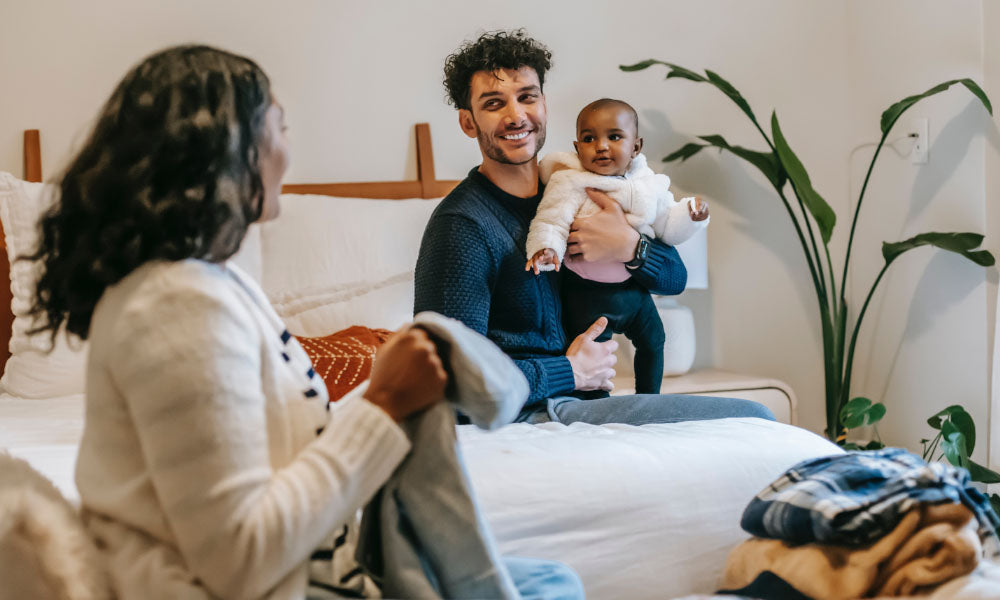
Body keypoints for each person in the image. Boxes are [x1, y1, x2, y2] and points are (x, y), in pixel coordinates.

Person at [27, 45, 581, 599]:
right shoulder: (173, 312)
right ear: (228, 151)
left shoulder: (211, 283)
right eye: (280, 129)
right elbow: (239, 560)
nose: (289, 153)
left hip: (318, 566)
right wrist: (384, 405)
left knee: (553, 580)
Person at [415, 29, 775, 424]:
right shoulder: (462, 226)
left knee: (756, 416)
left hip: (589, 404)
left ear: (544, 105)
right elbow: (450, 380)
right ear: (469, 122)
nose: (516, 115)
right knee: (750, 420)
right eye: (494, 103)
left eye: (527, 97)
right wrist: (568, 372)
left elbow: (675, 279)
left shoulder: (583, 189)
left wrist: (629, 247)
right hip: (530, 414)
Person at [525, 98, 710, 394]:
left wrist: (691, 215)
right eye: (589, 138)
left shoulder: (647, 186)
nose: (601, 146)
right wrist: (546, 247)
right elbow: (552, 219)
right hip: (586, 295)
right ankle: (595, 405)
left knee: (654, 340)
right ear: (577, 148)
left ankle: (649, 398)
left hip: (632, 291)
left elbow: (667, 224)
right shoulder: (570, 182)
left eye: (614, 137)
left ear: (636, 147)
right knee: (592, 359)